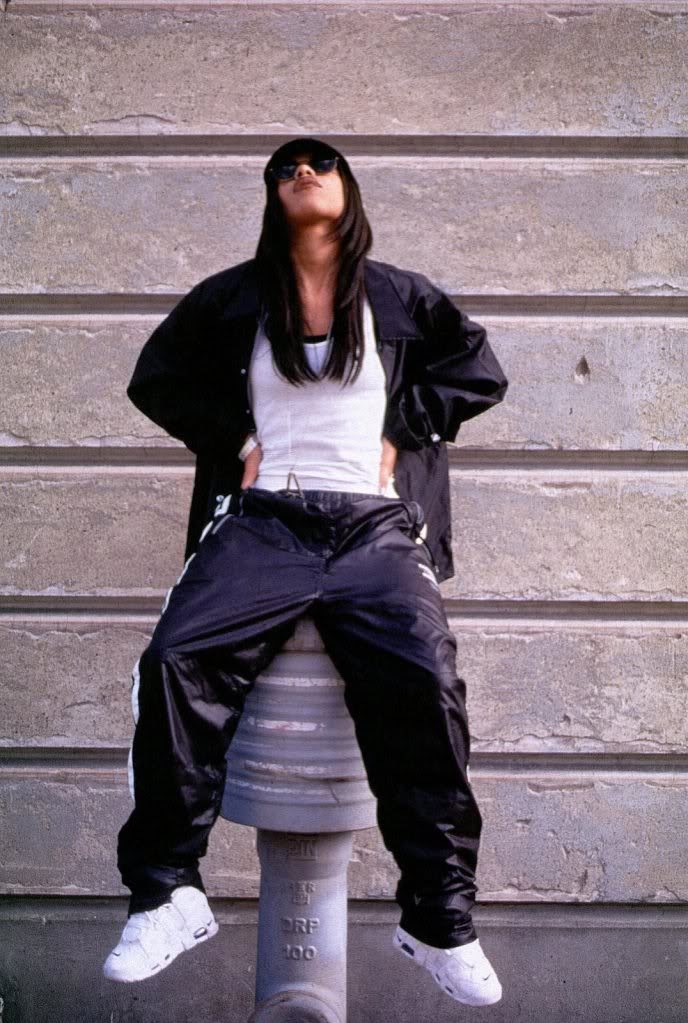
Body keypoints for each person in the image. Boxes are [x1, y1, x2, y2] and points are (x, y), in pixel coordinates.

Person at [103, 137, 509, 1007]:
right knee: (175, 658)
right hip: (265, 522)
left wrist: (404, 430)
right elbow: (156, 377)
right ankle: (165, 893)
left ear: (348, 188)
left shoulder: (399, 295)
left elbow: (479, 369)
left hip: (373, 529)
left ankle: (439, 916)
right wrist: (235, 438)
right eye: (286, 166)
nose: (303, 173)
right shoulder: (236, 295)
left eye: (320, 162)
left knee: (427, 678)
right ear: (272, 195)